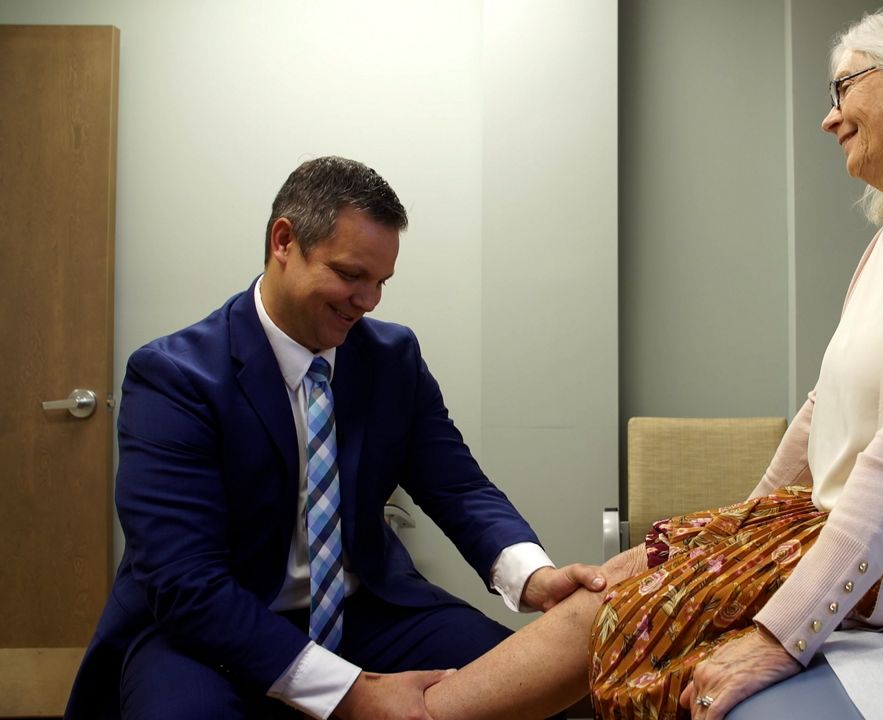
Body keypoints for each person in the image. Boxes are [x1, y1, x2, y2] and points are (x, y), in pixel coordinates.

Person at [412, 4, 883, 720]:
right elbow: (826, 407)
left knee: (624, 607)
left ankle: (419, 714)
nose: (829, 118)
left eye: (842, 88)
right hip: (864, 520)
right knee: (638, 562)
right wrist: (734, 529)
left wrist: (784, 634)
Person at [64, 156, 604, 720]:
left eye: (380, 282)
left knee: (536, 689)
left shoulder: (392, 359)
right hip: (207, 627)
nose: (369, 301)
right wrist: (351, 693)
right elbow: (185, 582)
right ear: (283, 242)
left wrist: (534, 577)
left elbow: (458, 486)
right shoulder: (175, 377)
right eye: (350, 275)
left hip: (364, 606)